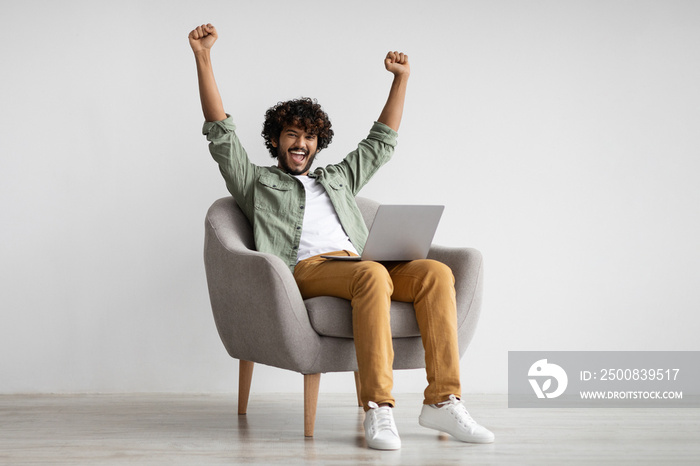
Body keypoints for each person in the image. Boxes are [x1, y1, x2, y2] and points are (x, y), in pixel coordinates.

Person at [189, 23, 494, 450]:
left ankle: (443, 399)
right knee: (371, 274)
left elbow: (380, 144)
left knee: (435, 273)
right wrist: (203, 58)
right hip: (309, 268)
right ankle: (378, 408)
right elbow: (220, 132)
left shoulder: (337, 180)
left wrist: (401, 80)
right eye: (292, 135)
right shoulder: (255, 182)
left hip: (361, 262)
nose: (301, 143)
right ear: (276, 142)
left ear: (318, 144)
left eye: (309, 137)